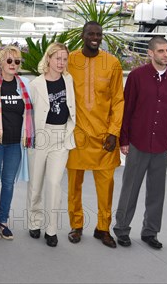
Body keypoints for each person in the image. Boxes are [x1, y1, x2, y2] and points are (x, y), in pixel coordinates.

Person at [113, 36, 167, 249]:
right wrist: (124, 139)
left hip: (162, 144)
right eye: (162, 51)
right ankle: (122, 229)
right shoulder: (137, 77)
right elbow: (127, 110)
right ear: (151, 53)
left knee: (157, 192)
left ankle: (150, 232)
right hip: (138, 142)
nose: (166, 54)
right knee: (130, 189)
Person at [66, 21, 124, 248]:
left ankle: (103, 228)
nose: (95, 38)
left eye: (98, 35)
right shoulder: (70, 60)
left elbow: (118, 100)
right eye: (91, 34)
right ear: (82, 36)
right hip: (77, 134)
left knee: (106, 185)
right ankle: (76, 225)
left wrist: (113, 132)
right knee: (74, 185)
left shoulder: (113, 63)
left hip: (104, 137)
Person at [27, 42, 76, 247]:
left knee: (54, 183)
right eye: (58, 58)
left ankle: (51, 229)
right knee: (36, 185)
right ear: (48, 59)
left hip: (61, 137)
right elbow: (28, 115)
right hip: (41, 136)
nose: (61, 63)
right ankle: (34, 222)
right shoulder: (36, 84)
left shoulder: (68, 79)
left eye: (64, 59)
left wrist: (67, 132)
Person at [0, 45, 34, 240]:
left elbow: (30, 112)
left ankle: (4, 221)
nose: (13, 64)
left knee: (8, 183)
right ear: (1, 63)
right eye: (9, 61)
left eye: (17, 61)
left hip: (15, 143)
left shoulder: (24, 85)